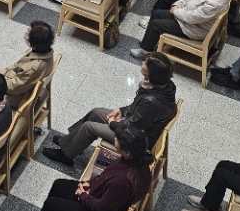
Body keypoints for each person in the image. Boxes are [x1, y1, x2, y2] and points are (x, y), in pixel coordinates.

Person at [24, 122, 152, 211]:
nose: (115, 139)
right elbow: (107, 176)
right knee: (59, 185)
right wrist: (90, 184)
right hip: (100, 195)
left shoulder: (122, 182)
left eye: (118, 140)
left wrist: (83, 195)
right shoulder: (137, 161)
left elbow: (102, 210)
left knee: (52, 205)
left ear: (127, 152)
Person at [42, 53, 176, 165]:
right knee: (96, 112)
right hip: (134, 126)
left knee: (89, 127)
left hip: (134, 140)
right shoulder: (163, 86)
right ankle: (72, 142)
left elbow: (132, 127)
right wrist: (121, 111)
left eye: (146, 62)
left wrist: (113, 123)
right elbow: (137, 108)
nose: (142, 62)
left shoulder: (151, 102)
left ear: (152, 72)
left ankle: (66, 155)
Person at [132, 0, 234, 57]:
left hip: (192, 29)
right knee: (156, 13)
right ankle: (150, 42)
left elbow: (191, 18)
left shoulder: (215, 5)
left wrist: (176, 11)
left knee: (155, 24)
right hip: (185, 17)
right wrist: (177, 4)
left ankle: (146, 51)